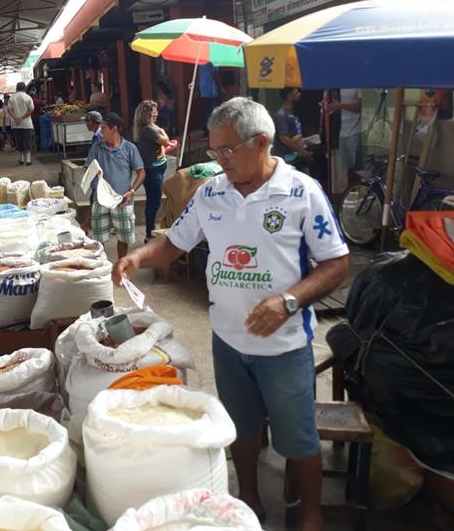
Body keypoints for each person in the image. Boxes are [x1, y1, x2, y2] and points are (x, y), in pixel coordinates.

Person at [113, 97, 350, 531]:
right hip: (226, 339)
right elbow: (175, 242)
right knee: (239, 427)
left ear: (260, 143)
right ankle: (250, 499)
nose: (220, 160)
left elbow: (336, 264)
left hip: (284, 345)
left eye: (227, 150)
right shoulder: (211, 192)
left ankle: (311, 515)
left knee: (297, 436)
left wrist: (289, 301)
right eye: (214, 151)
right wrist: (140, 258)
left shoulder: (301, 192)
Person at [84, 112, 145, 259]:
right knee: (99, 238)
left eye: (104, 128)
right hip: (100, 200)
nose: (101, 131)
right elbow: (88, 170)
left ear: (115, 129)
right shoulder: (97, 148)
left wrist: (132, 191)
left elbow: (141, 172)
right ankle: (103, 266)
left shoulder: (130, 148)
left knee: (123, 238)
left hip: (122, 201)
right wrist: (93, 176)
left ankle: (121, 265)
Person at [134, 100, 171, 241]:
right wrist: (163, 132)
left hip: (158, 168)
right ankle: (150, 233)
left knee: (154, 201)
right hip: (152, 171)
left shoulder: (151, 127)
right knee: (153, 202)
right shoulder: (148, 130)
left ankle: (150, 231)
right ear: (147, 113)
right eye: (154, 111)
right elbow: (166, 141)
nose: (157, 113)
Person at [273, 87, 312, 168]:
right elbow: (284, 138)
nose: (299, 94)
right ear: (289, 96)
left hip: (296, 155)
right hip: (287, 157)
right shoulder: (281, 115)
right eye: (296, 92)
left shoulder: (293, 112)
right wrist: (303, 152)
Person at [330, 89, 362, 185]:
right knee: (347, 167)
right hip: (342, 131)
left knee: (357, 168)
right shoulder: (339, 87)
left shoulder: (358, 85)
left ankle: (359, 194)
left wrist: (340, 106)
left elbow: (360, 107)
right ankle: (350, 193)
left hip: (355, 131)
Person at [6, 81, 35, 166]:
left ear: (16, 88)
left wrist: (15, 118)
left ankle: (22, 159)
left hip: (15, 124)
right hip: (27, 124)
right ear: (25, 88)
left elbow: (9, 109)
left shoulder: (12, 98)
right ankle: (28, 160)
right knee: (28, 141)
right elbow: (31, 109)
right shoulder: (28, 97)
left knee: (19, 142)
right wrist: (22, 118)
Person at [198, 63, 224, 134]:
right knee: (212, 111)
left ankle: (205, 129)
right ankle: (211, 129)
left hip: (203, 89)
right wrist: (221, 88)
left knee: (206, 110)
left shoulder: (201, 62)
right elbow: (215, 75)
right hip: (211, 91)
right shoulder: (213, 62)